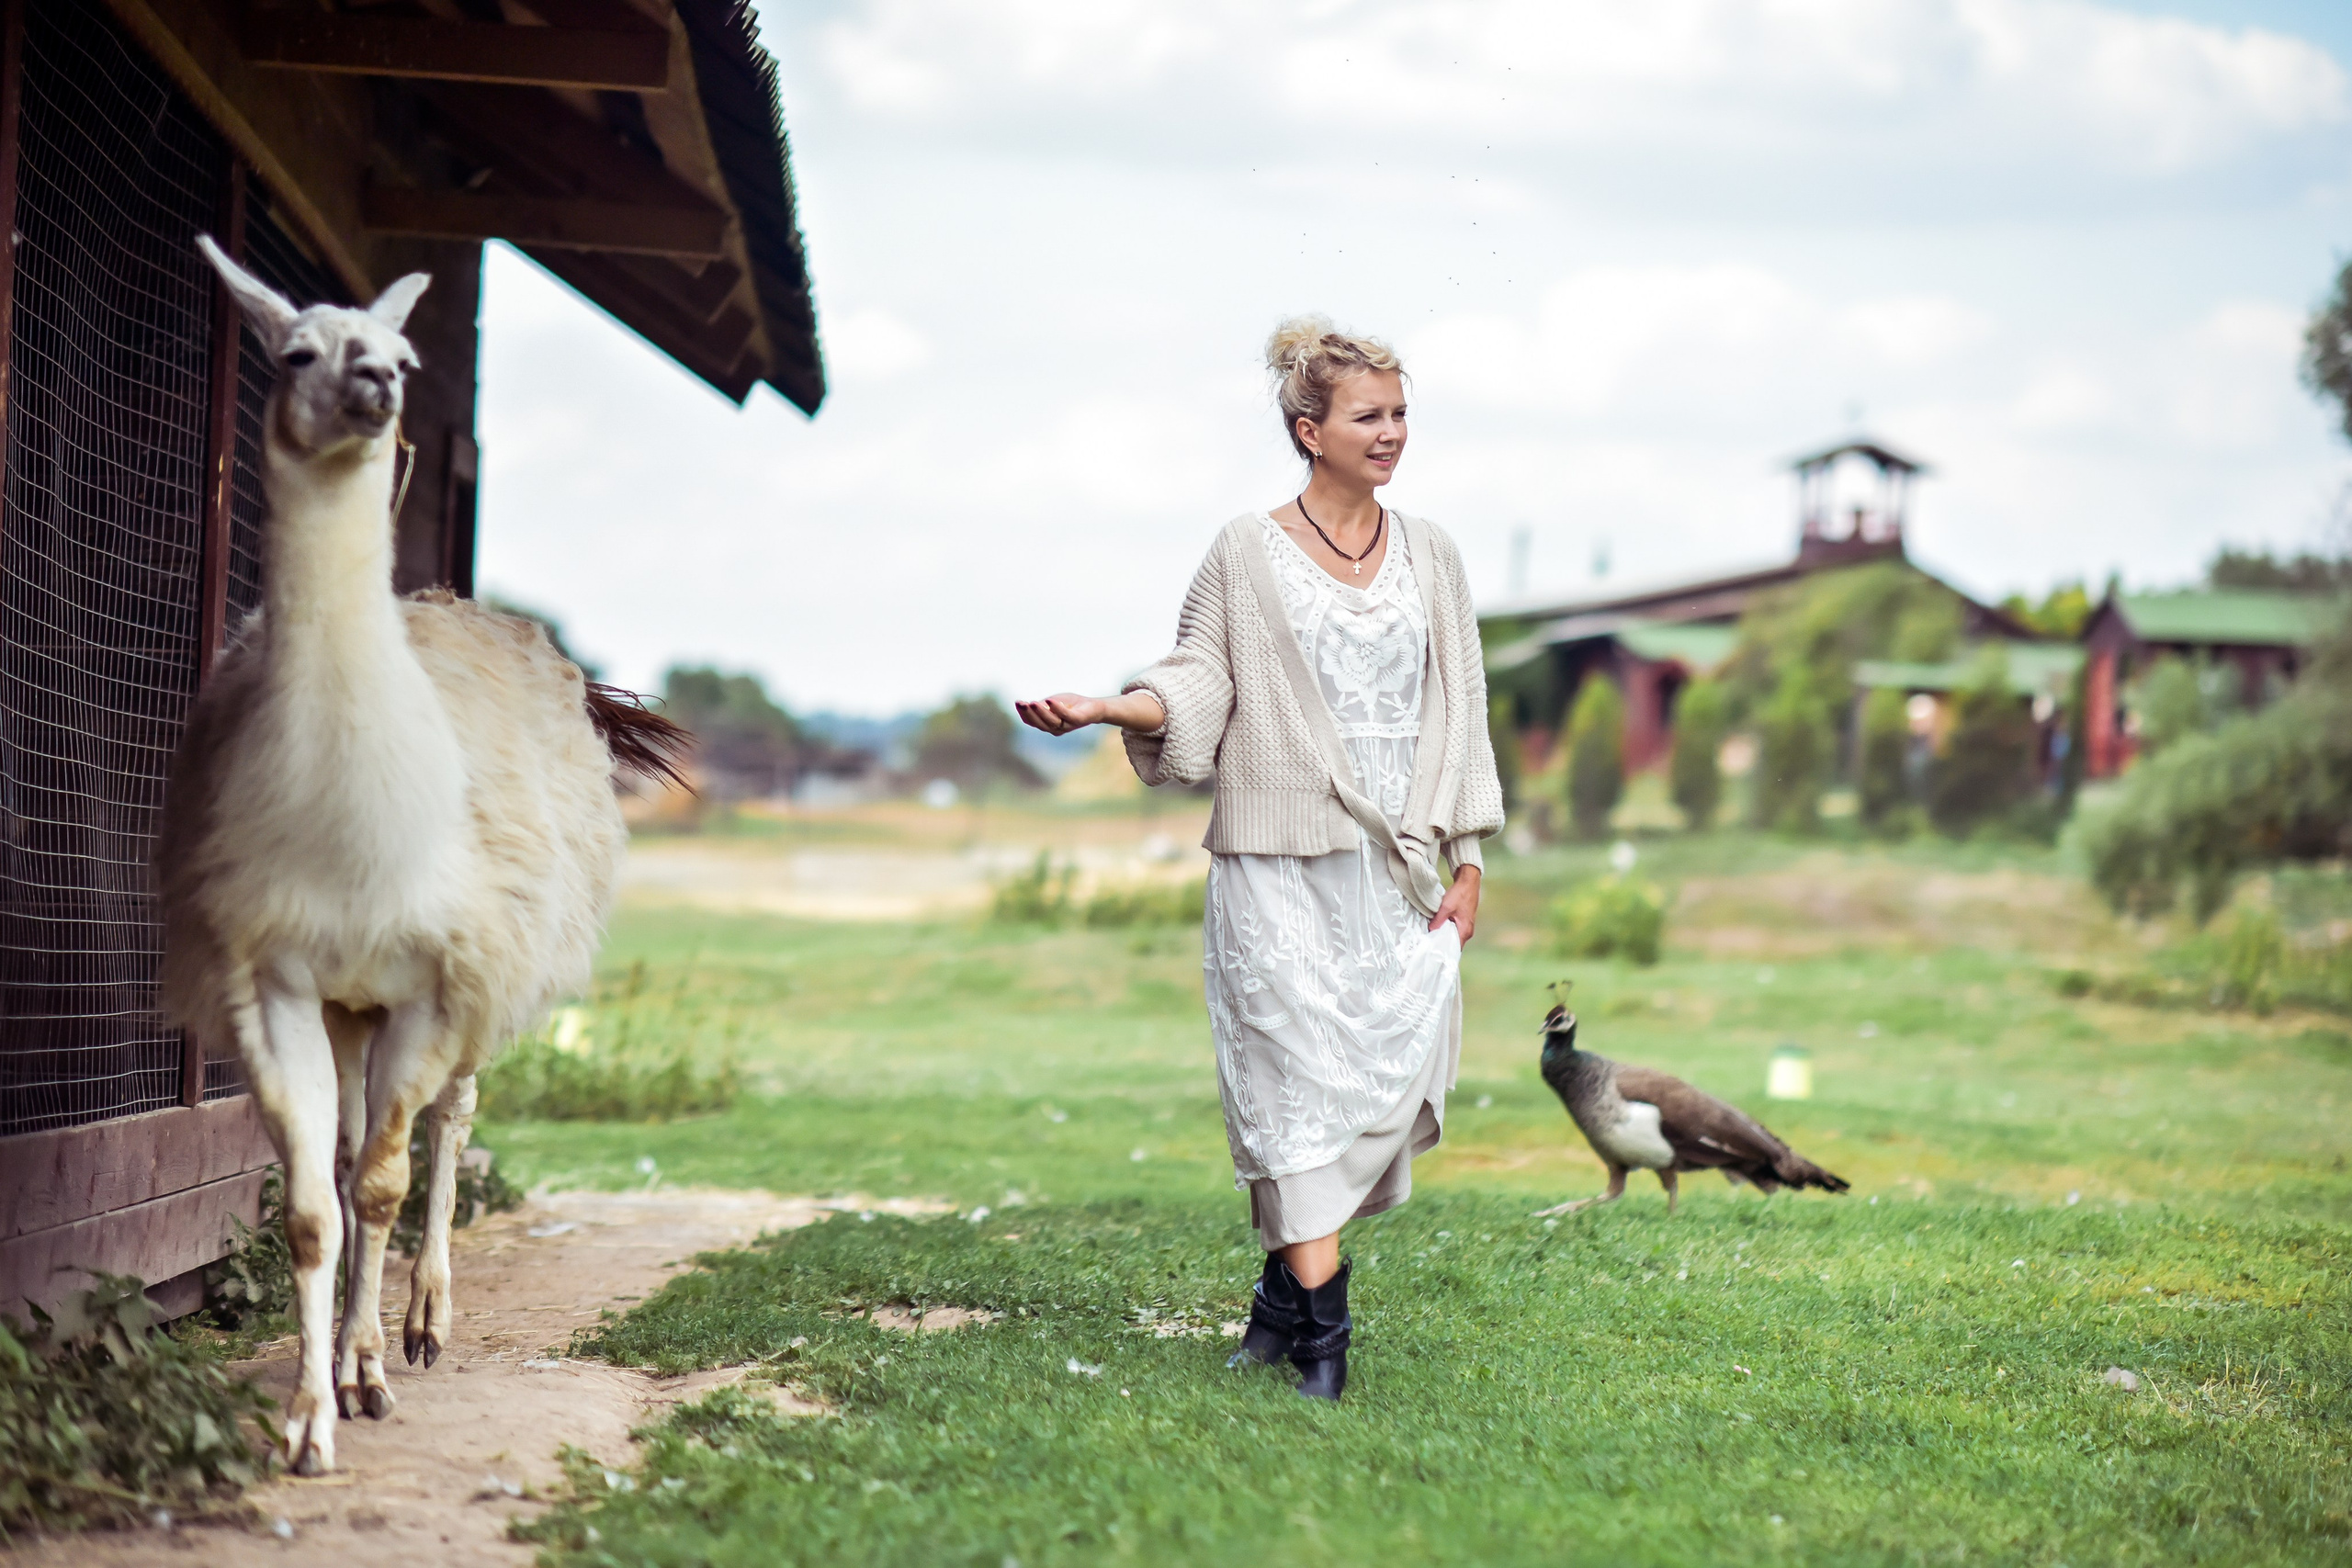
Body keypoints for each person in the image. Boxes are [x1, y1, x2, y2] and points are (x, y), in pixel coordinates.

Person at [1015, 317, 1504, 1401]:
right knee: (1289, 1085)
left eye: (1400, 413)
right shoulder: (1244, 551)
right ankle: (1325, 1343)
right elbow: (1195, 681)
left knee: (1370, 1083)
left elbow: (1460, 708)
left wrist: (1467, 858)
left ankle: (1279, 1312)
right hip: (1273, 865)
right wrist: (1106, 705)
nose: (1391, 434)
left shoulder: (1435, 554)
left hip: (1396, 869)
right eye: (1367, 416)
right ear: (1307, 429)